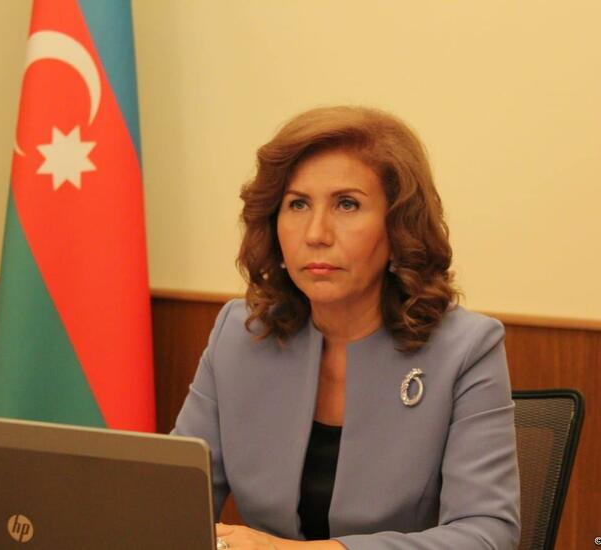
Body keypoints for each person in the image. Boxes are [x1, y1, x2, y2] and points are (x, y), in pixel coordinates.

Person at [172, 106, 520, 549]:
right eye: (298, 204)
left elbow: (487, 534)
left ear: (398, 227)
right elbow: (174, 499)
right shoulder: (239, 334)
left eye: (347, 204)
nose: (316, 233)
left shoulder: (465, 349)